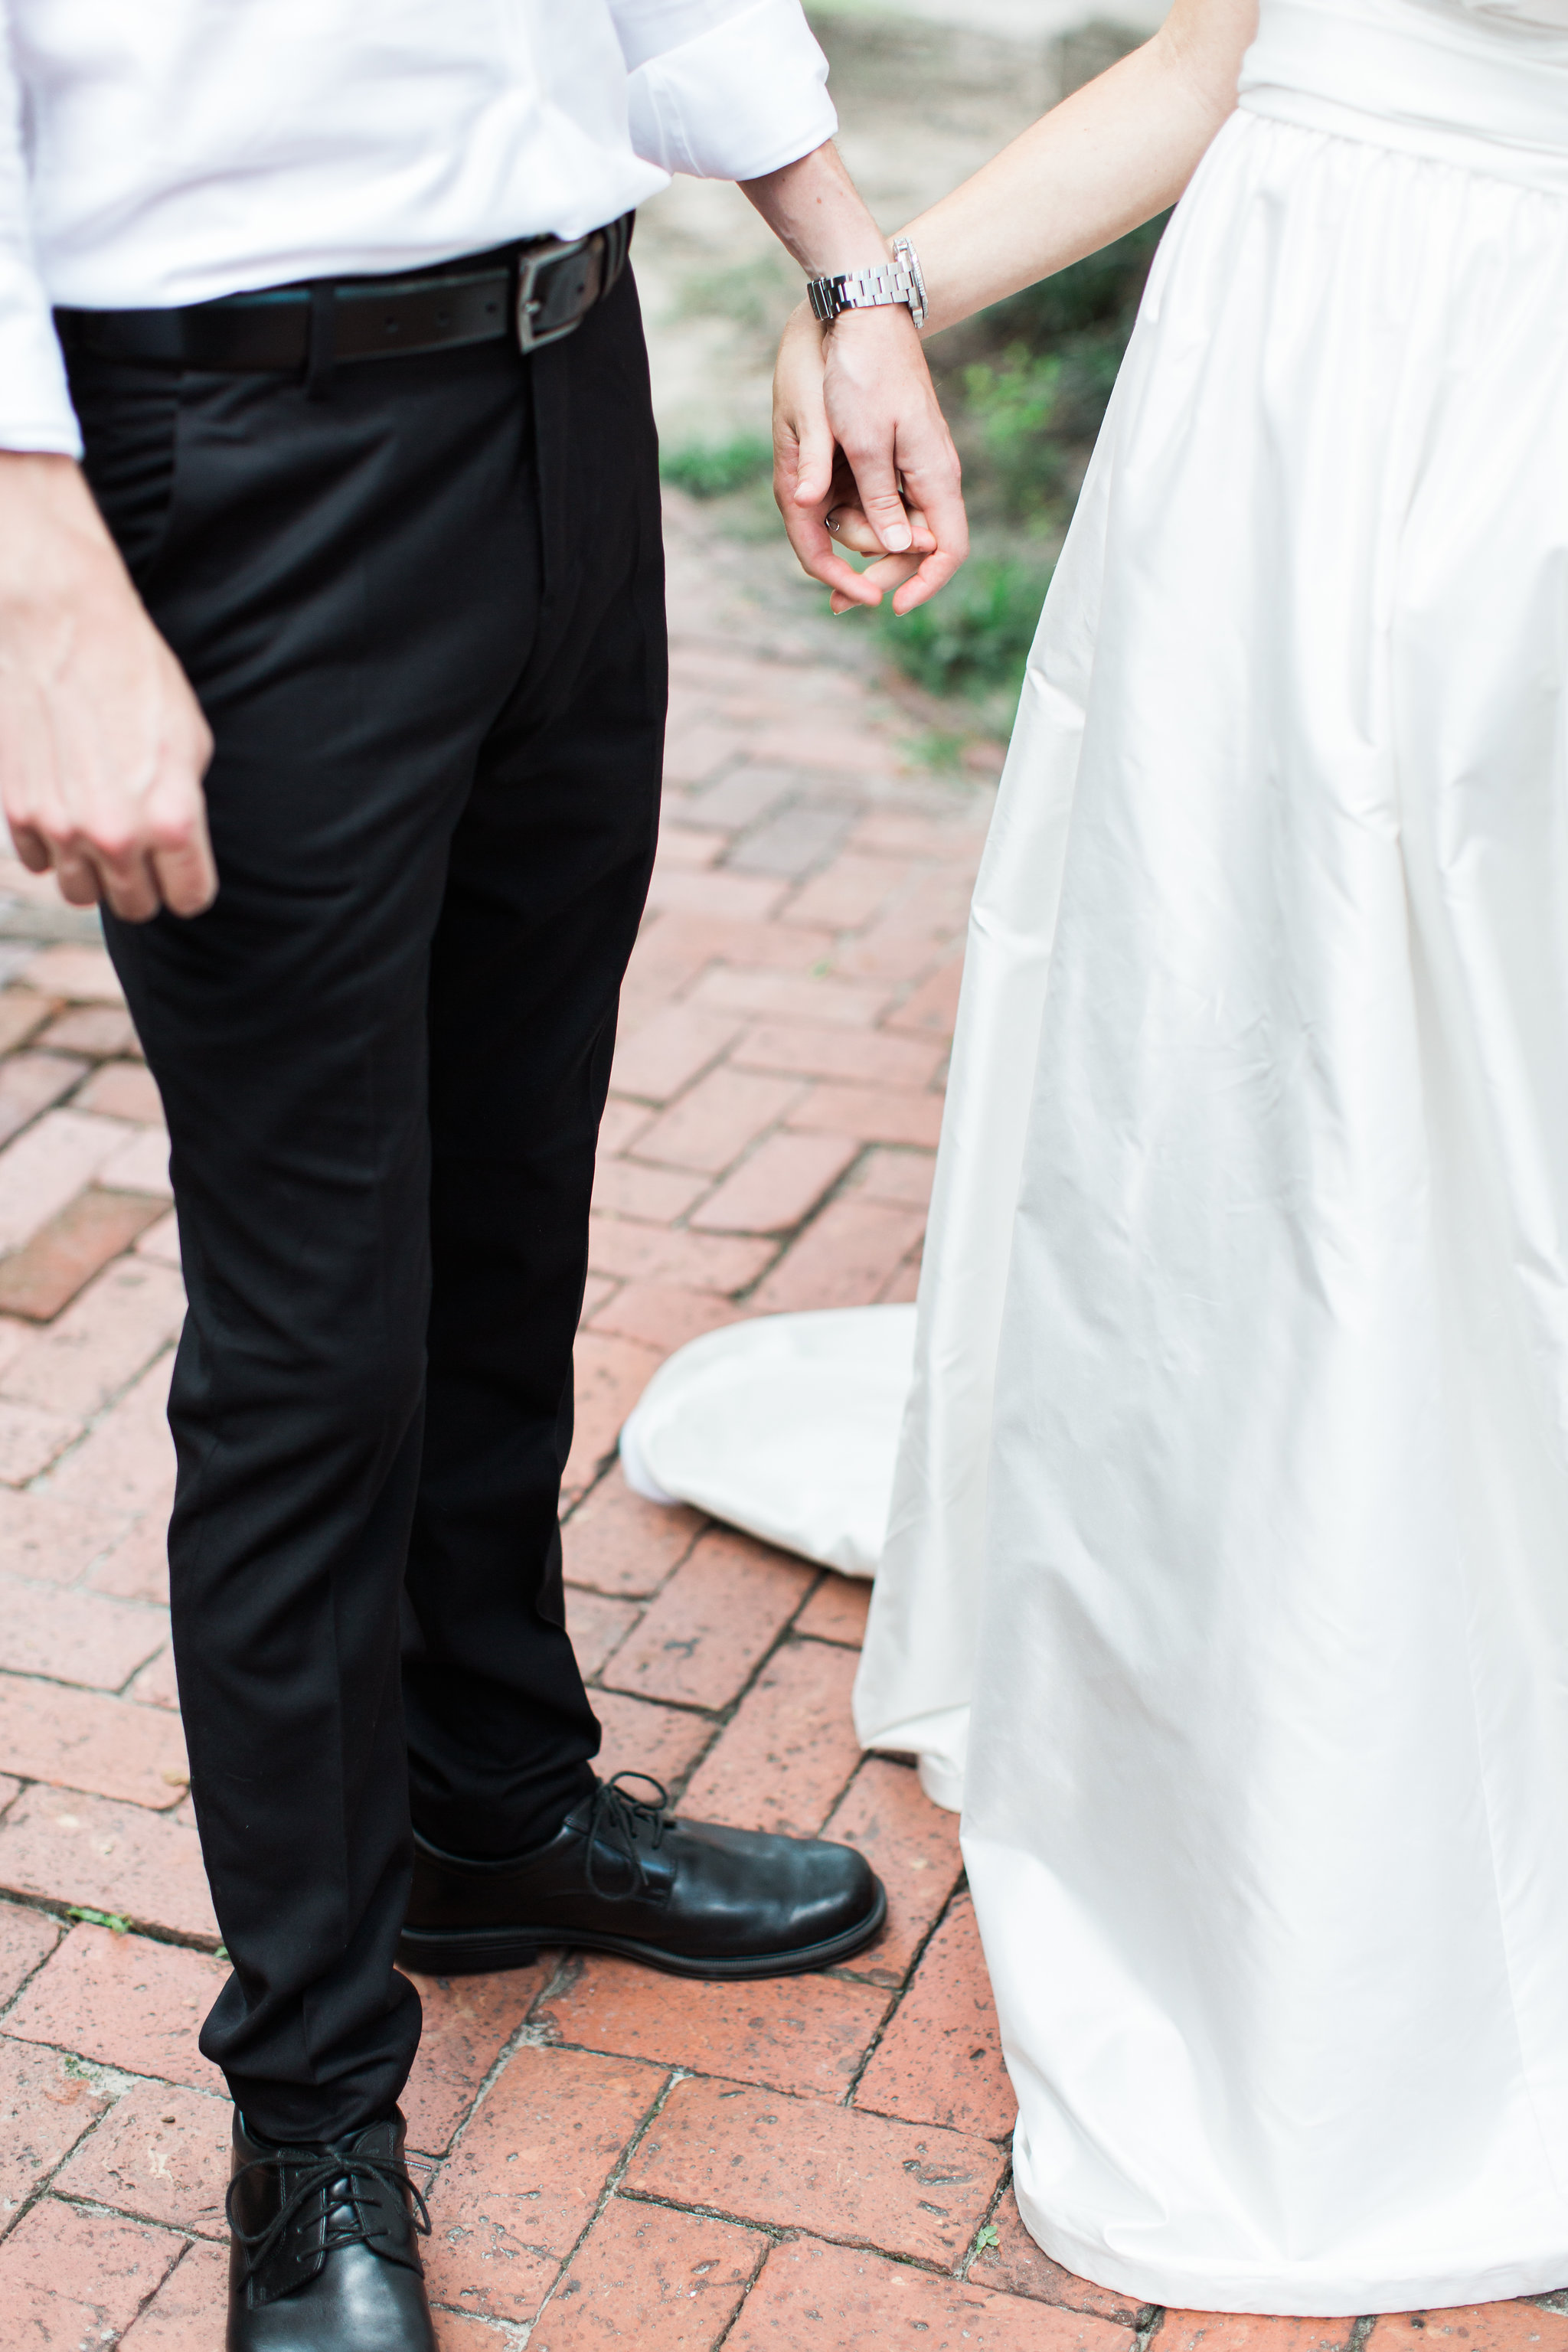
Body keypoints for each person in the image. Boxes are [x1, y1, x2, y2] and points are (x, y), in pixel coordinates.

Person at [0, 6, 969, 2347]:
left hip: (564, 383)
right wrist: (34, 562)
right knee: (314, 1329)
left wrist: (846, 269)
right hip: (225, 440)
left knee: (512, 1197)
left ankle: (490, 1801)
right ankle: (313, 2106)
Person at [652, 0, 1568, 2313]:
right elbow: (1217, 63)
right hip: (1273, 430)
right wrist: (883, 292)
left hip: (1521, 429)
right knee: (1246, 1104)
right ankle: (1280, 1706)